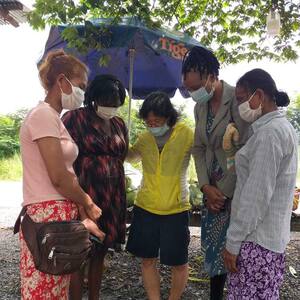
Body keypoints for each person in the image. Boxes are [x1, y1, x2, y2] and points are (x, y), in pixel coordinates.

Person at [19, 49, 102, 299]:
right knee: (44, 289)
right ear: (62, 81)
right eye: (81, 86)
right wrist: (87, 200)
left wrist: (79, 204)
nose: (83, 93)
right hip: (46, 214)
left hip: (57, 213)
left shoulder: (55, 118)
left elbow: (66, 174)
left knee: (55, 289)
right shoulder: (43, 115)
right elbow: (58, 175)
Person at [223, 68, 298, 299]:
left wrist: (233, 242)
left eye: (242, 99)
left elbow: (255, 197)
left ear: (259, 95)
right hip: (266, 241)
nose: (239, 107)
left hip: (255, 241)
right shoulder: (279, 129)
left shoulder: (270, 134)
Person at [182, 46, 248, 300]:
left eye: (195, 87)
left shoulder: (238, 99)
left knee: (236, 255)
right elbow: (198, 149)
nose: (192, 93)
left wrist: (224, 193)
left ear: (211, 76)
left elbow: (243, 151)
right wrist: (206, 187)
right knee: (214, 254)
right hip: (212, 194)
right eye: (188, 89)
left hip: (235, 191)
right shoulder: (200, 108)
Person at [62, 74, 128, 300]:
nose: (111, 108)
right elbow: (64, 157)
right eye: (107, 103)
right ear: (93, 99)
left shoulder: (119, 123)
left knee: (100, 250)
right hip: (85, 193)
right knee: (80, 251)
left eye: (116, 104)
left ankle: (94, 297)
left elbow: (123, 153)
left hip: (112, 194)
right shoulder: (74, 118)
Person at [126, 92, 193, 300]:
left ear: (169, 117)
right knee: (147, 260)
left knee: (179, 262)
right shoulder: (145, 138)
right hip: (146, 208)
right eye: (148, 121)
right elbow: (130, 156)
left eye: (157, 120)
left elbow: (204, 152)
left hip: (176, 209)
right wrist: (118, 140)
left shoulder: (186, 134)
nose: (152, 125)